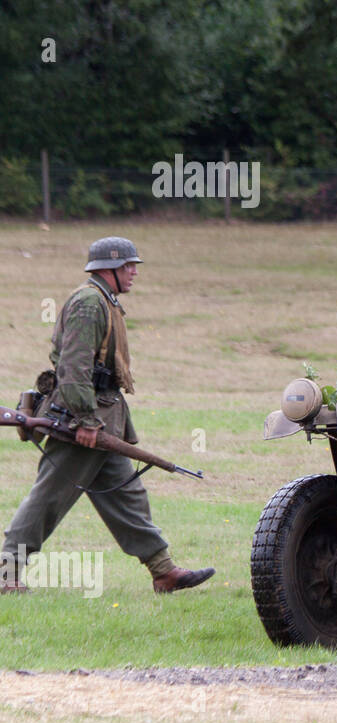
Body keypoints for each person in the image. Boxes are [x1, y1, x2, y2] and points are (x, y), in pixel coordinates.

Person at [0, 237, 214, 594]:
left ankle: (163, 571)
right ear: (107, 269)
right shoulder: (88, 303)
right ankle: (6, 573)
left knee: (128, 496)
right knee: (48, 500)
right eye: (128, 266)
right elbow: (73, 368)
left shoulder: (105, 300)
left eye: (133, 266)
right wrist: (85, 420)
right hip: (83, 422)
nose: (134, 272)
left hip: (101, 420)